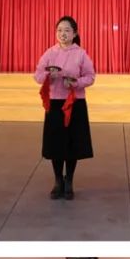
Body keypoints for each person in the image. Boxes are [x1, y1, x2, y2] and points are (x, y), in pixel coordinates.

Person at [34, 15, 95, 199]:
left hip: (74, 103)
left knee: (72, 143)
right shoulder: (50, 52)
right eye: (59, 30)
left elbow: (90, 77)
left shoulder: (81, 54)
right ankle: (58, 180)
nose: (62, 34)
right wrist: (48, 76)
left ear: (74, 33)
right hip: (54, 103)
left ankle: (69, 180)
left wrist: (76, 83)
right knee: (55, 143)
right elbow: (37, 75)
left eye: (67, 30)